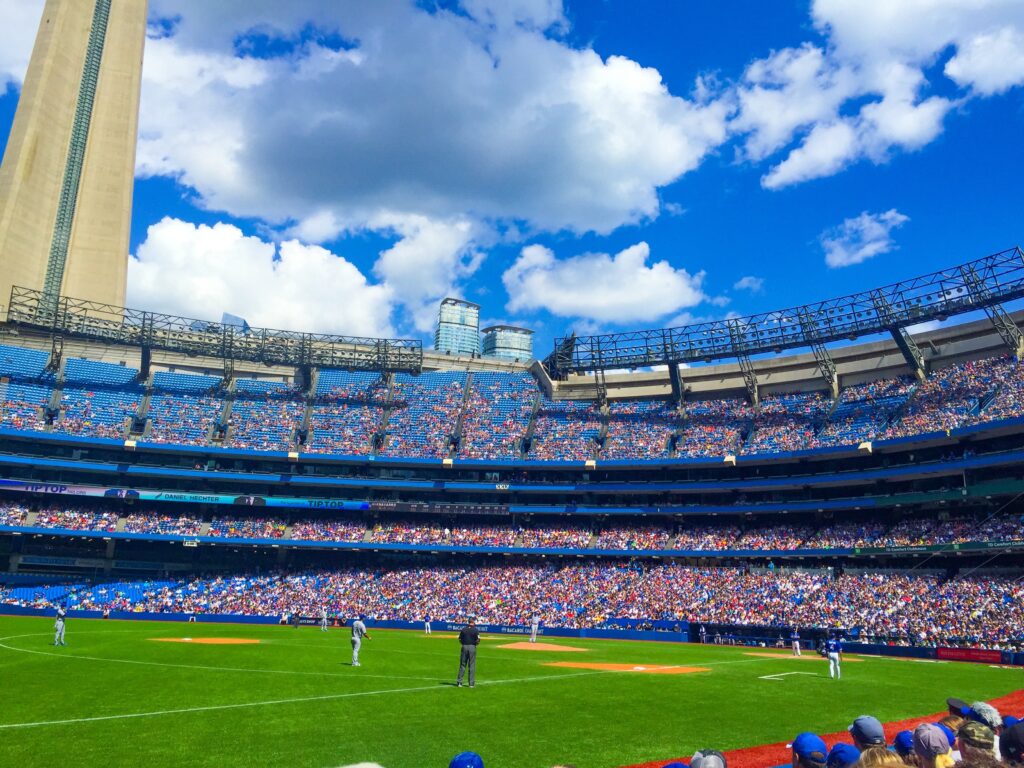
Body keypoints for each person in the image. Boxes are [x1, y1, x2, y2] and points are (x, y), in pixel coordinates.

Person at [457, 617, 481, 688]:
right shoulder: (475, 630)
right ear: (473, 622)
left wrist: (463, 644)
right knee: (471, 665)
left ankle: (459, 682)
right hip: (472, 647)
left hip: (464, 646)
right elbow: (478, 640)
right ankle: (471, 684)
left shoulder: (463, 629)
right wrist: (475, 644)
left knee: (462, 665)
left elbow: (460, 638)